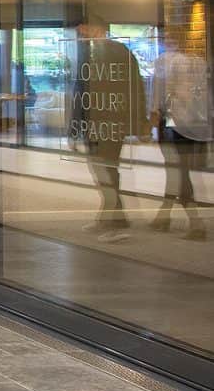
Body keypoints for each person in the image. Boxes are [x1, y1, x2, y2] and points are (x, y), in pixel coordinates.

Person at [67, 13, 146, 243]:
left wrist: (138, 123)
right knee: (102, 171)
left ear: (95, 28)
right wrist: (75, 128)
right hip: (94, 122)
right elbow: (81, 92)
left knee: (107, 170)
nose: (80, 34)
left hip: (111, 121)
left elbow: (134, 88)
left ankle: (112, 219)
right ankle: (114, 217)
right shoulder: (88, 53)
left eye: (83, 29)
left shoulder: (118, 52)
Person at [150, 27, 211, 241]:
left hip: (174, 123)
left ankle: (196, 222)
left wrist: (154, 117)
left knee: (178, 171)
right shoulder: (198, 62)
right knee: (177, 170)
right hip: (194, 123)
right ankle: (164, 215)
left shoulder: (166, 62)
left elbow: (159, 94)